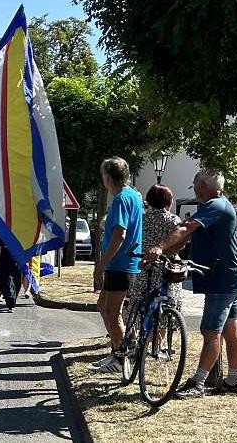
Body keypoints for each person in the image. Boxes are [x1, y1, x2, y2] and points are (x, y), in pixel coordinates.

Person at [145, 169, 237, 398]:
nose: (194, 188)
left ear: (204, 186)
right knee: (231, 331)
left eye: (195, 184)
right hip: (226, 277)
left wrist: (159, 247)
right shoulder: (211, 207)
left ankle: (198, 383)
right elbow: (186, 237)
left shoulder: (216, 206)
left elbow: (184, 228)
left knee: (210, 331)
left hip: (222, 279)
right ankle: (233, 382)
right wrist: (163, 255)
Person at [93, 157, 143, 374]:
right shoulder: (131, 195)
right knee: (103, 306)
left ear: (107, 177)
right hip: (121, 263)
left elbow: (119, 234)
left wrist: (101, 264)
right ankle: (119, 350)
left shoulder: (122, 198)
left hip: (120, 263)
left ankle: (122, 358)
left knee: (113, 312)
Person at [123, 184, 183, 325]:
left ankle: (134, 335)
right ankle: (156, 343)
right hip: (166, 271)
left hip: (144, 268)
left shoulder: (140, 219)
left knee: (138, 303)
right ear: (169, 201)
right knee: (165, 309)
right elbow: (178, 246)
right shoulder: (174, 220)